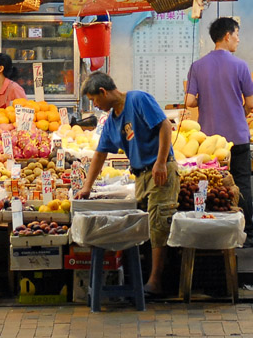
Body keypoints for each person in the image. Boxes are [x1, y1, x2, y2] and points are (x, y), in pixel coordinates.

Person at [75, 72, 178, 297]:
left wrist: (161, 162)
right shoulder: (112, 122)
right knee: (145, 226)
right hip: (141, 176)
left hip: (161, 170)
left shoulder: (138, 99)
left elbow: (165, 127)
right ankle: (142, 278)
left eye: (94, 100)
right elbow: (100, 154)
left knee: (159, 224)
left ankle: (156, 282)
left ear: (103, 92)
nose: (95, 105)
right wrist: (86, 187)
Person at [185, 17, 253, 245]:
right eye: (236, 35)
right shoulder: (241, 66)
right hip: (238, 135)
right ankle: (248, 233)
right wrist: (239, 111)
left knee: (209, 184)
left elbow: (189, 101)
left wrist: (205, 101)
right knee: (242, 183)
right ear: (227, 36)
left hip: (209, 142)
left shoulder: (197, 66)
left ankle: (211, 231)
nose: (238, 39)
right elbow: (252, 104)